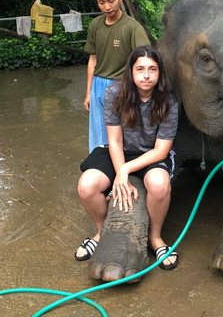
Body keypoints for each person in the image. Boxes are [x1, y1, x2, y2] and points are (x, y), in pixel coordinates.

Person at [75, 45, 179, 271]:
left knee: (159, 185)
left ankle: (155, 238)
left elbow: (161, 151)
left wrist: (123, 172)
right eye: (140, 69)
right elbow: (115, 141)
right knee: (87, 185)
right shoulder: (114, 93)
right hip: (119, 149)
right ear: (130, 72)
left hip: (151, 152)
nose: (146, 75)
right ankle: (102, 232)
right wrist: (119, 171)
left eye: (152, 69)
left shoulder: (169, 102)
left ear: (160, 72)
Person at [84, 0, 150, 153]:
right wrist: (88, 92)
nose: (107, 7)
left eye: (111, 1)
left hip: (122, 86)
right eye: (101, 2)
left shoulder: (132, 27)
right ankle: (99, 169)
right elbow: (93, 59)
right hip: (98, 86)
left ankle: (122, 171)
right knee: (98, 134)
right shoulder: (95, 25)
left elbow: (145, 60)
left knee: (122, 134)